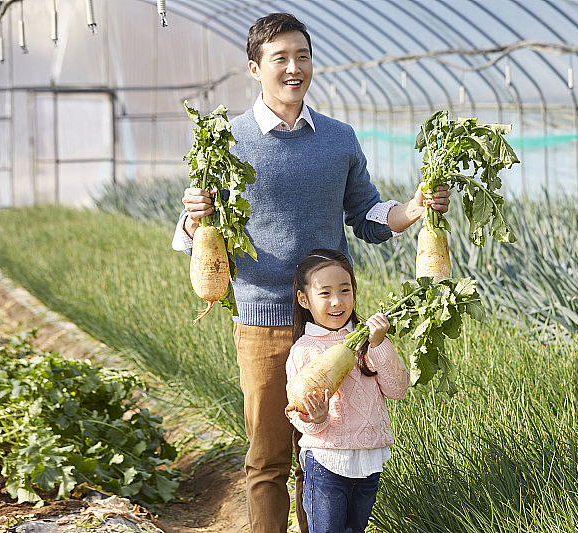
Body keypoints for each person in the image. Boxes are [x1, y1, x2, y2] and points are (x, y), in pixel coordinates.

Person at [172, 12, 449, 533]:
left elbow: (365, 213)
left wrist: (412, 210)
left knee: (321, 456)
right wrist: (193, 215)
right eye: (280, 59)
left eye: (302, 56)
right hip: (263, 321)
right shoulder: (224, 142)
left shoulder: (339, 139)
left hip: (331, 330)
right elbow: (189, 239)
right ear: (254, 68)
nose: (293, 68)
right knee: (269, 458)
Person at [286, 249, 409, 533]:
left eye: (345, 290)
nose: (337, 301)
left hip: (368, 460)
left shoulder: (367, 341)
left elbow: (397, 388)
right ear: (304, 300)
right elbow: (296, 410)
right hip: (326, 462)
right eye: (325, 293)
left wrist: (379, 343)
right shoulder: (303, 350)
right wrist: (316, 418)